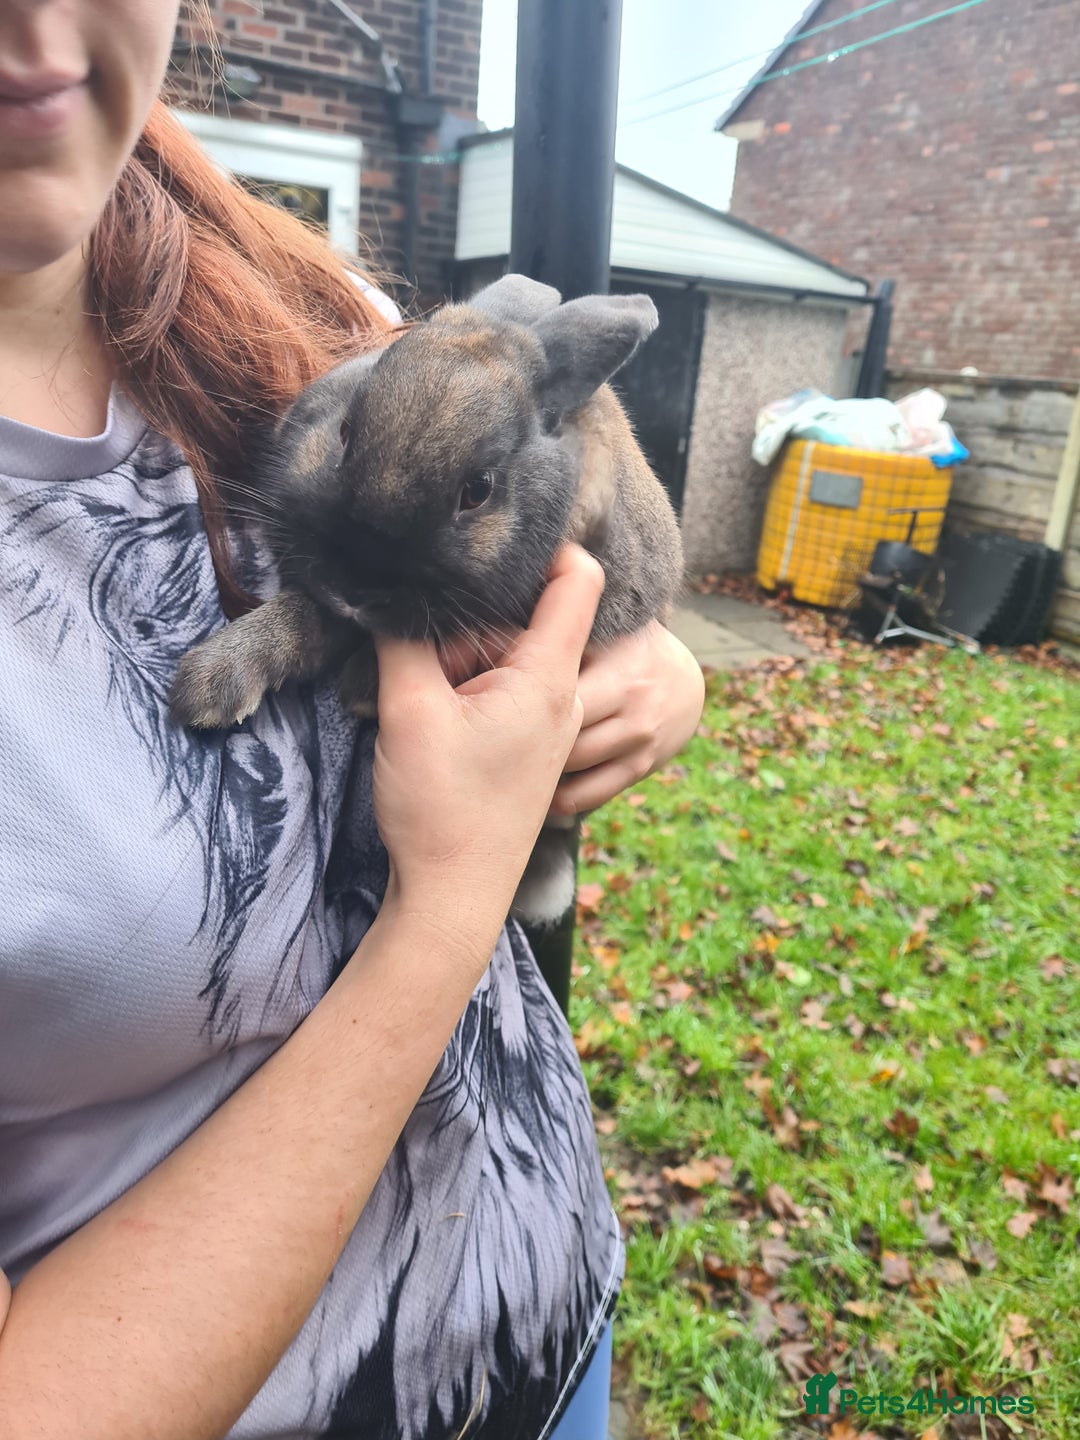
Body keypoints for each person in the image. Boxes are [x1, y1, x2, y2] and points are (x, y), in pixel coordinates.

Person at [0, 3, 705, 1438]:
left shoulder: (304, 302)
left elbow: (577, 511)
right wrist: (452, 897)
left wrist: (634, 666)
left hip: (553, 1320)